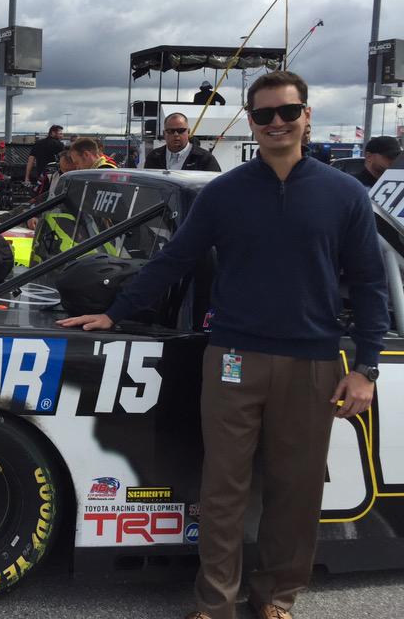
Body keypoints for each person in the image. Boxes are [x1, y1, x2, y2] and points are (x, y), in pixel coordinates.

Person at [58, 71, 387, 619]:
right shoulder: (225, 192)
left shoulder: (345, 195)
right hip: (233, 358)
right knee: (223, 490)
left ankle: (276, 598)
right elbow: (173, 259)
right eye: (264, 114)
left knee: (296, 491)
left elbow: (371, 284)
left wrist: (366, 367)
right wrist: (115, 312)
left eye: (288, 112)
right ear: (251, 122)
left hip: (312, 363)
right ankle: (215, 604)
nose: (277, 123)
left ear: (307, 116)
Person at [144, 113, 222, 171]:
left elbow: (216, 186)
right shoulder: (153, 157)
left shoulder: (205, 159)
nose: (176, 134)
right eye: (170, 131)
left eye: (181, 130)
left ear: (188, 132)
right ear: (164, 134)